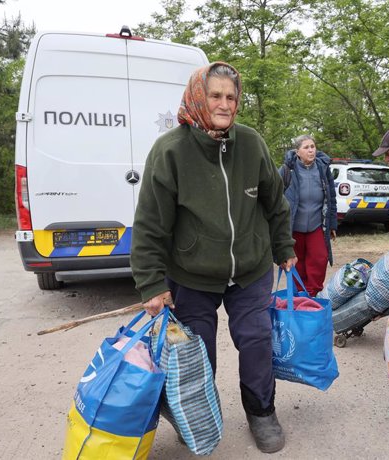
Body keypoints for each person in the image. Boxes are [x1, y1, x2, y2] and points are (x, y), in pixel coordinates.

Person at [130, 62, 297, 454]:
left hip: (250, 270)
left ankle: (261, 411)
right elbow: (151, 224)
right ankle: (200, 413)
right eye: (216, 95)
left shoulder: (252, 143)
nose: (224, 104)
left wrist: (283, 247)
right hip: (191, 276)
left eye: (231, 97)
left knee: (256, 341)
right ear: (197, 97)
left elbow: (276, 203)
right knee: (197, 351)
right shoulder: (170, 150)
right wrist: (152, 283)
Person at [278, 135, 338, 296]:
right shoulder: (286, 170)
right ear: (297, 151)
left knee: (319, 257)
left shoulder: (323, 169)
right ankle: (298, 295)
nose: (311, 150)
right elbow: (274, 198)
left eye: (313, 146)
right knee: (297, 261)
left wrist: (332, 224)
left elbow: (331, 197)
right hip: (293, 226)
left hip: (316, 225)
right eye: (306, 147)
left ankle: (313, 294)